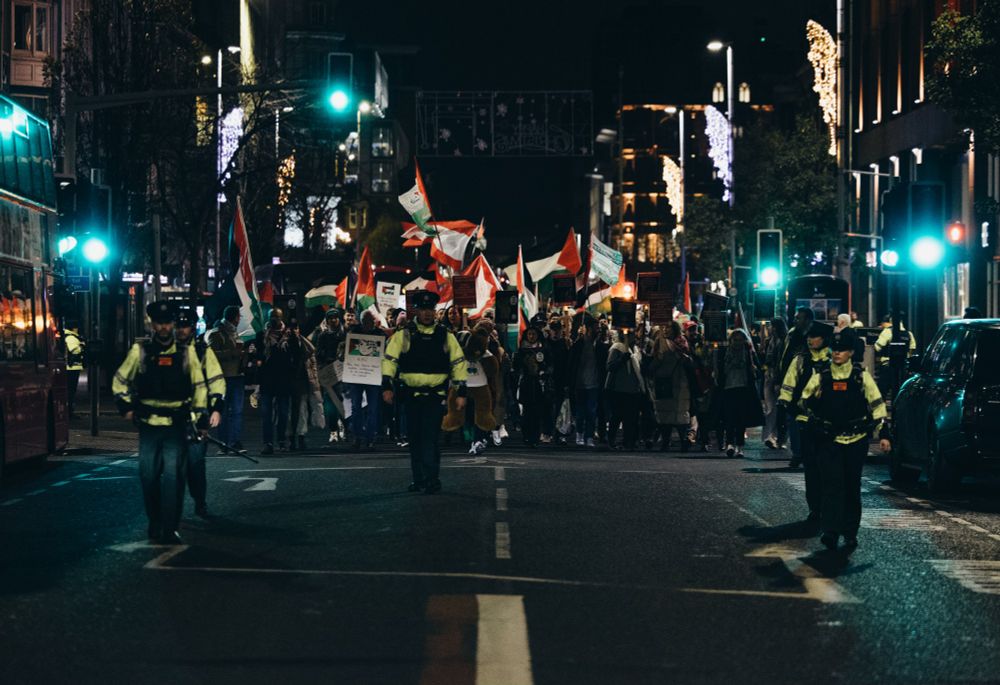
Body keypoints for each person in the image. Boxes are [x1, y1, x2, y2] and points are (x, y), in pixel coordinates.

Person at [112, 301, 209, 544]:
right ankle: (154, 521)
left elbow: (199, 387)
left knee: (175, 477)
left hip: (176, 425)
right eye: (159, 322)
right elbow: (120, 380)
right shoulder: (141, 351)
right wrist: (127, 409)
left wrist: (200, 418)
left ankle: (170, 527)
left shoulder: (187, 353)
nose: (163, 327)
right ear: (152, 323)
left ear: (173, 324)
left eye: (167, 322)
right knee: (148, 476)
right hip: (149, 424)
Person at [800, 328, 891, 550]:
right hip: (829, 439)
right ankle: (830, 531)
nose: (837, 353)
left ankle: (850, 532)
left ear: (851, 352)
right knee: (831, 486)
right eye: (835, 349)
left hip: (855, 439)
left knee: (851, 487)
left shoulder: (861, 376)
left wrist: (884, 434)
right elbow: (804, 400)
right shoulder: (821, 375)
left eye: (842, 350)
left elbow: (877, 404)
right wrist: (813, 410)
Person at [382, 291, 467, 494]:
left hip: (434, 396)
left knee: (429, 438)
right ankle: (418, 479)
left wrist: (461, 390)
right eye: (423, 309)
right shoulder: (403, 335)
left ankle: (431, 479)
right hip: (410, 396)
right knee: (415, 438)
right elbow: (390, 361)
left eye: (431, 310)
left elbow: (458, 363)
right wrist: (386, 385)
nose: (427, 314)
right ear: (416, 311)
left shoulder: (445, 335)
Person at [175, 306, 225, 518]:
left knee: (195, 465)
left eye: (185, 326)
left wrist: (216, 409)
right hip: (169, 420)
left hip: (197, 419)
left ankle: (200, 501)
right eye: (178, 325)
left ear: (193, 327)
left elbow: (216, 381)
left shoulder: (203, 351)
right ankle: (172, 509)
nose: (181, 330)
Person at [779, 321, 832, 518]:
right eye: (809, 336)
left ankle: (827, 505)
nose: (810, 340)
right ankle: (815, 507)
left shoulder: (836, 359)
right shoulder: (801, 359)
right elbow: (789, 382)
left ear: (824, 339)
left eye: (814, 336)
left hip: (831, 422)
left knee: (829, 466)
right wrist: (786, 403)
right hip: (807, 420)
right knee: (811, 466)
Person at [443, 324, 499, 455]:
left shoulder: (482, 352)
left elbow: (492, 367)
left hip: (479, 385)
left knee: (480, 413)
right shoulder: (455, 353)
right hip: (461, 385)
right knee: (462, 412)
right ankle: (464, 434)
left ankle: (479, 438)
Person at [647, 322, 693, 452]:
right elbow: (654, 360)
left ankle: (683, 440)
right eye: (665, 327)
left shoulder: (682, 342)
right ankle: (665, 441)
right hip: (663, 381)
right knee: (664, 412)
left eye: (669, 327)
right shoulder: (659, 342)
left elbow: (689, 361)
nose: (666, 330)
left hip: (680, 381)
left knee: (680, 413)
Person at [718, 329, 763, 457]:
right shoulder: (724, 353)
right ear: (731, 340)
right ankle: (730, 444)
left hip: (744, 387)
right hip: (728, 387)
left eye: (740, 340)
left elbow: (757, 369)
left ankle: (740, 445)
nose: (737, 343)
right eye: (735, 340)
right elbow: (720, 370)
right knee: (729, 418)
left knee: (741, 419)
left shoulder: (748, 353)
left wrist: (754, 369)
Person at [346, 310, 386, 451]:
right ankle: (357, 436)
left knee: (372, 408)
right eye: (366, 321)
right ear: (361, 321)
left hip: (372, 375)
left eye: (370, 321)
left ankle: (370, 438)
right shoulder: (353, 332)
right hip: (357, 374)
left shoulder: (379, 334)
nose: (368, 323)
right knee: (356, 407)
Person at [207, 305, 245, 452]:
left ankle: (234, 441)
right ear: (235, 317)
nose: (239, 319)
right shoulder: (217, 333)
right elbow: (212, 355)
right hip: (223, 378)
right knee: (222, 411)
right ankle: (223, 442)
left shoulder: (237, 333)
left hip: (237, 375)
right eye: (238, 317)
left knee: (237, 411)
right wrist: (233, 352)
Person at [257, 317, 297, 455]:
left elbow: (296, 354)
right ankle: (267, 442)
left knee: (283, 413)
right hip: (267, 379)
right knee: (266, 414)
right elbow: (258, 355)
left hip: (283, 379)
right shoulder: (262, 335)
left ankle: (281, 440)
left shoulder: (289, 335)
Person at [513, 317, 553, 447]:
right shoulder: (521, 350)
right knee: (526, 413)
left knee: (537, 413)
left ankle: (535, 437)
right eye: (529, 334)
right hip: (526, 383)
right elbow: (516, 367)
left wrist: (545, 372)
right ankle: (526, 437)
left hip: (539, 384)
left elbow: (550, 365)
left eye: (534, 334)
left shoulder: (544, 349)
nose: (531, 336)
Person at [569, 316, 607, 448]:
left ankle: (589, 436)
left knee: (591, 412)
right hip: (580, 384)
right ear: (589, 329)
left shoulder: (600, 346)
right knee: (580, 412)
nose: (598, 331)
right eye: (596, 328)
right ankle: (579, 434)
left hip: (594, 384)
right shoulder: (578, 345)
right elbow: (571, 364)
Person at [605, 329, 645, 450]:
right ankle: (611, 440)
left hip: (633, 389)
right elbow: (610, 366)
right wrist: (622, 359)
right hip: (619, 388)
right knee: (617, 416)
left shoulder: (635, 349)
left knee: (631, 418)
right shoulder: (617, 348)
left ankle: (629, 441)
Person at [312, 308, 347, 443]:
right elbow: (317, 353)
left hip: (343, 372)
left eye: (336, 317)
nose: (334, 320)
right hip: (329, 372)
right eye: (331, 318)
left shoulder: (345, 334)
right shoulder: (323, 335)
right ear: (327, 320)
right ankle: (333, 430)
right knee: (330, 404)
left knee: (343, 402)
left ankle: (344, 427)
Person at [287, 319, 323, 451]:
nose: (294, 330)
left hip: (302, 381)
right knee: (291, 412)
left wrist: (315, 382)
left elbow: (312, 363)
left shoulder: (305, 344)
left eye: (296, 328)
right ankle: (291, 438)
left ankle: (301, 437)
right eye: (291, 328)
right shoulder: (284, 343)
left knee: (302, 411)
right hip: (289, 382)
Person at [761, 318, 788, 450]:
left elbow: (780, 362)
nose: (769, 328)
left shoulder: (782, 341)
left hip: (777, 377)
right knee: (770, 407)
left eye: (771, 326)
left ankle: (775, 436)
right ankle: (770, 436)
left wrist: (778, 380)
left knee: (777, 409)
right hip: (770, 375)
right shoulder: (771, 340)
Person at [546, 317, 572, 445]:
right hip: (547, 380)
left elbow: (568, 364)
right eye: (553, 329)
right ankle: (549, 432)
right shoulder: (545, 344)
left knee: (561, 408)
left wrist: (567, 382)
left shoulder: (565, 344)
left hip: (561, 380)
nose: (555, 332)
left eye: (557, 329)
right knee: (547, 408)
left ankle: (560, 433)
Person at [64, 319, 85, 416]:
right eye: (77, 327)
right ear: (74, 328)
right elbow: (74, 350)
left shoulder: (71, 336)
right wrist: (81, 346)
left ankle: (70, 411)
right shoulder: (71, 337)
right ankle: (69, 412)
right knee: (71, 390)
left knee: (71, 390)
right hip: (71, 368)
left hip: (73, 367)